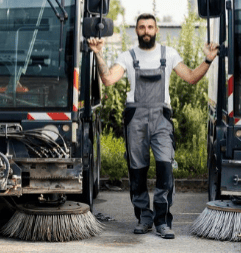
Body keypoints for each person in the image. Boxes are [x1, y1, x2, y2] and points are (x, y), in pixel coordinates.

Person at [87, 13, 218, 239]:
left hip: (161, 119)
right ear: (136, 31)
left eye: (150, 27)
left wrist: (207, 60)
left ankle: (162, 220)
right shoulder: (127, 56)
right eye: (141, 27)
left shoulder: (169, 54)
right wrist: (98, 54)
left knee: (165, 169)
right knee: (137, 172)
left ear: (156, 30)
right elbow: (108, 79)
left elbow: (191, 77)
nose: (146, 31)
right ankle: (143, 218)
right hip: (135, 117)